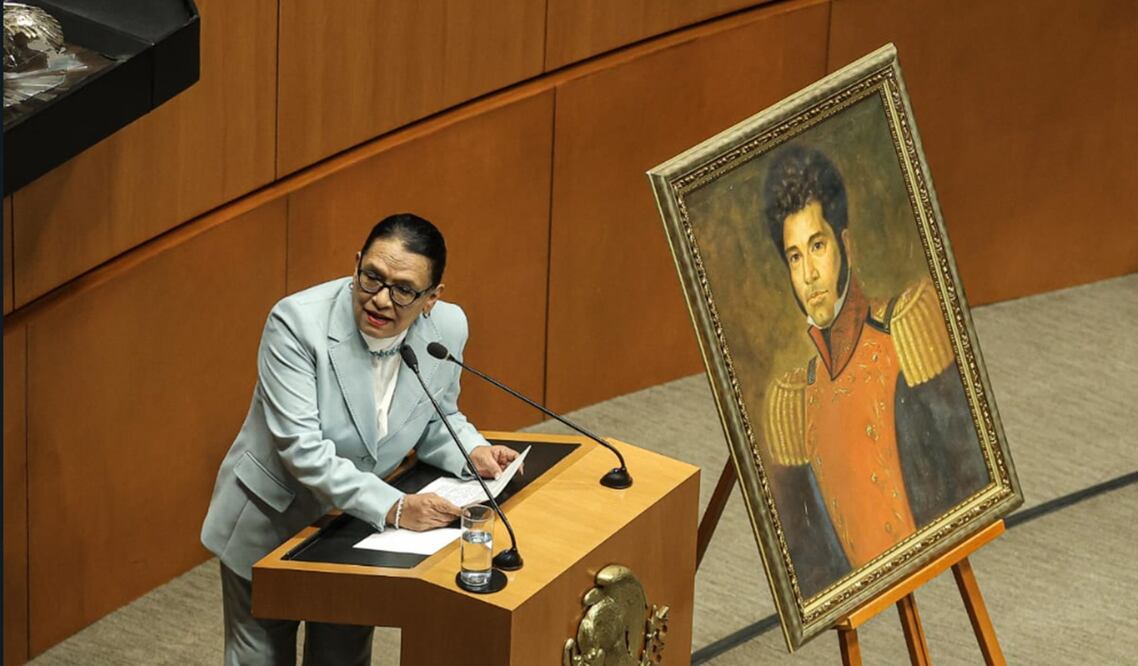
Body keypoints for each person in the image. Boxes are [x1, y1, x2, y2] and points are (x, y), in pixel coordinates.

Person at [201, 212, 519, 665]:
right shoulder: (296, 324)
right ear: (357, 264)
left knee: (343, 657)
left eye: (404, 289)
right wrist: (394, 506)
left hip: (356, 529)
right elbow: (302, 450)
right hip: (273, 520)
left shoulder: (446, 329)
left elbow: (436, 417)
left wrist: (474, 451)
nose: (381, 300)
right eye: (372, 277)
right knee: (261, 658)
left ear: (432, 298)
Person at [759, 145, 989, 597]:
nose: (808, 274)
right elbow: (814, 570)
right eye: (795, 257)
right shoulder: (792, 399)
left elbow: (972, 484)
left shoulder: (907, 329)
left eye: (817, 246)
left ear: (845, 245)